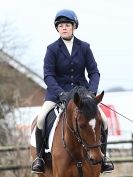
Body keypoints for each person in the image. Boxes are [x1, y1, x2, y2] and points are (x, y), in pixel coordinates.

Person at [31, 9, 114, 174]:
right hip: (57, 94)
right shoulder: (52, 49)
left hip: (82, 94)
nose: (64, 28)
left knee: (103, 120)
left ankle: (102, 157)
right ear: (57, 29)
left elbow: (94, 72)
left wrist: (91, 92)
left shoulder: (84, 47)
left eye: (67, 25)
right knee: (41, 119)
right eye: (60, 25)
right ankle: (40, 158)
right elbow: (48, 75)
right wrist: (59, 92)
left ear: (74, 27)